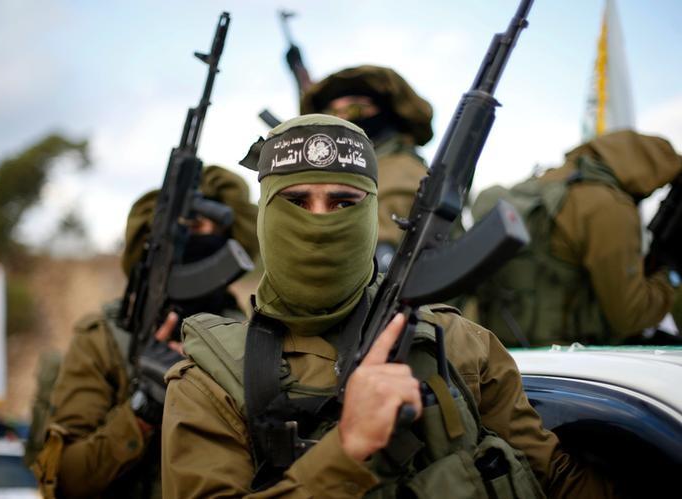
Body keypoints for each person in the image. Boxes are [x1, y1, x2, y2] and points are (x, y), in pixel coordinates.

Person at [162, 115, 616, 498]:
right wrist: (346, 448)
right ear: (265, 215)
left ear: (371, 214)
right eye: (297, 201)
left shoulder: (457, 344)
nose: (320, 221)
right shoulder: (208, 382)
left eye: (343, 201)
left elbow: (559, 479)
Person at [31, 165, 259, 498]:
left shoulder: (252, 337)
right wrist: (144, 405)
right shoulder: (105, 340)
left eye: (215, 228)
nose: (204, 236)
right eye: (192, 226)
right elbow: (65, 480)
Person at [472, 130, 681, 347]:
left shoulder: (542, 184)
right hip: (569, 359)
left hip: (500, 349)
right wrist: (670, 278)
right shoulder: (609, 207)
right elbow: (630, 316)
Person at [300, 65, 433, 270]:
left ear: (383, 111)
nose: (344, 119)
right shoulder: (335, 173)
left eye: (354, 109)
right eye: (334, 113)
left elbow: (380, 250)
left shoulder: (401, 169)